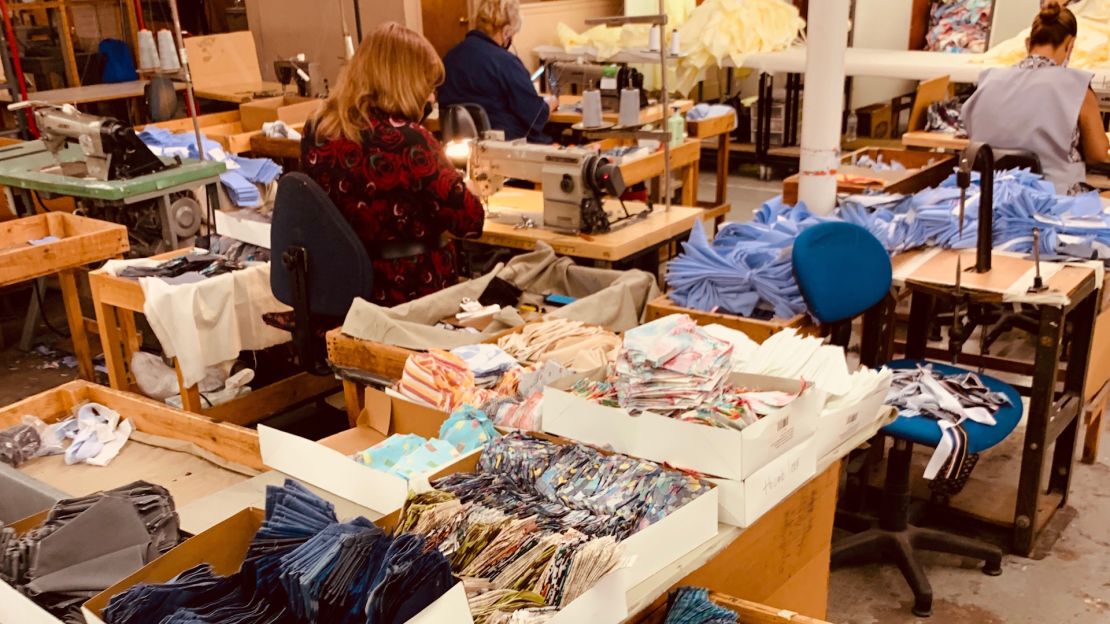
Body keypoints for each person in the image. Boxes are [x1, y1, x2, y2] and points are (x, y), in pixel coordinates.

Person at [301, 22, 485, 308]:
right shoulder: (410, 140)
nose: (431, 97)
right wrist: (469, 190)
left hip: (341, 293)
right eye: (427, 86)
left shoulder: (318, 130)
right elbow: (470, 221)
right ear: (404, 81)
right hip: (409, 297)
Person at [962, 2, 1109, 195]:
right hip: (1054, 204)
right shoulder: (1077, 87)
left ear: (1027, 43)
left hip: (989, 198)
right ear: (1070, 45)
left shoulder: (988, 80)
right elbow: (1098, 155)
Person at [439, 0, 558, 144]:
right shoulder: (506, 63)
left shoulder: (448, 59)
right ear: (506, 31)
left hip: (460, 150)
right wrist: (551, 102)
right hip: (509, 150)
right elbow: (536, 116)